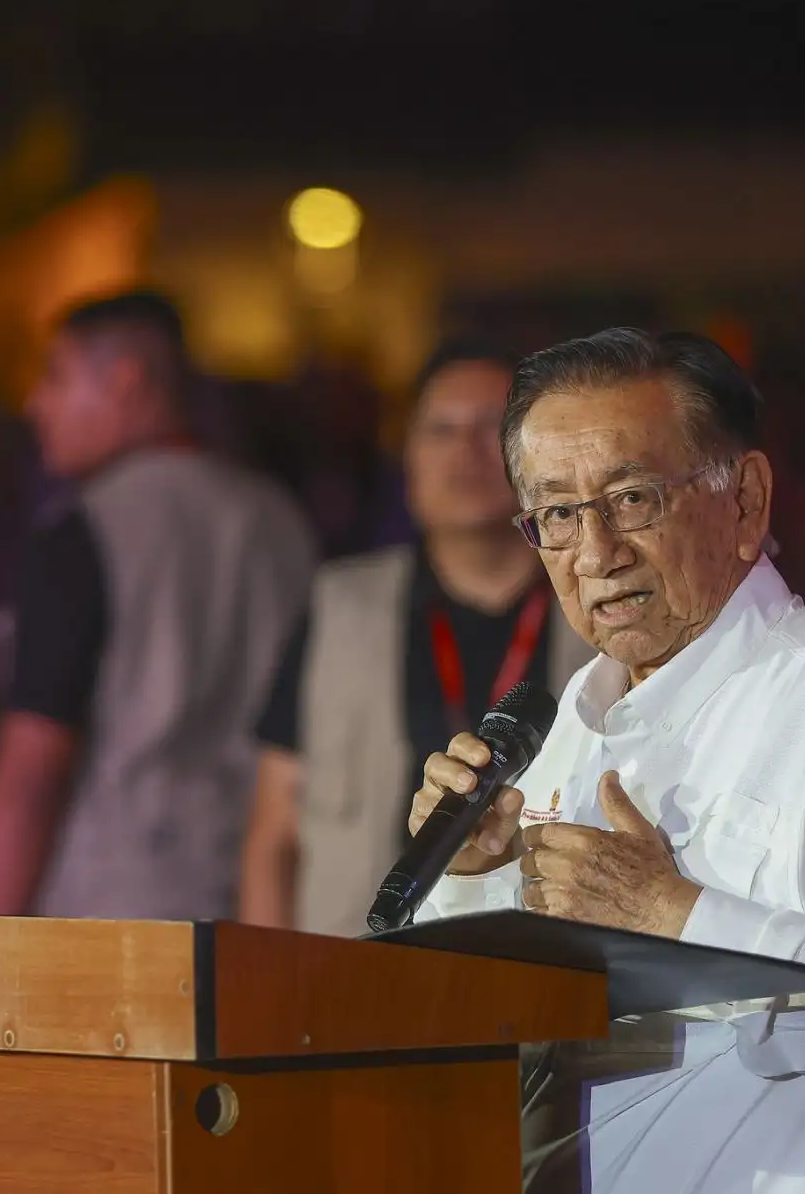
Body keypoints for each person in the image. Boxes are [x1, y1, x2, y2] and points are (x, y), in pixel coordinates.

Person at [407, 328, 805, 1192]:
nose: (597, 552)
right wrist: (465, 876)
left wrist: (679, 917)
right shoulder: (564, 725)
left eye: (633, 498)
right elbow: (496, 1033)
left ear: (747, 501)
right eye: (559, 514)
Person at [0, 291, 317, 920]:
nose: (36, 404)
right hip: (271, 893)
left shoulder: (86, 532)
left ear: (125, 380)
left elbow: (32, 770)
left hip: (118, 906)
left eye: (56, 377)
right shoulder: (280, 521)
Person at [238, 339, 593, 936]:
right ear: (408, 465)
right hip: (353, 967)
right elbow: (273, 835)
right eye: (440, 430)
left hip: (548, 971)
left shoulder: (595, 605)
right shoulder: (339, 606)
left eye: (491, 427)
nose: (466, 451)